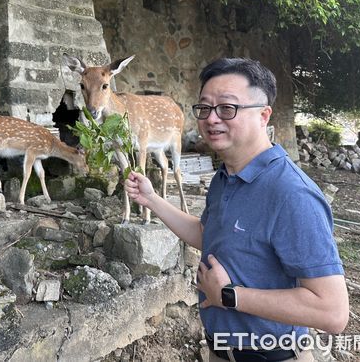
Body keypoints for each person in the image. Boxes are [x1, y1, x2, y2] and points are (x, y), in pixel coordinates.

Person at [124, 58, 348, 362]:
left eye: (227, 108)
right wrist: (152, 200)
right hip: (220, 352)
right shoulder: (225, 177)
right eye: (204, 108)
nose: (211, 119)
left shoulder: (291, 194)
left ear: (263, 116)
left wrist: (229, 296)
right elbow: (208, 235)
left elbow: (332, 311)